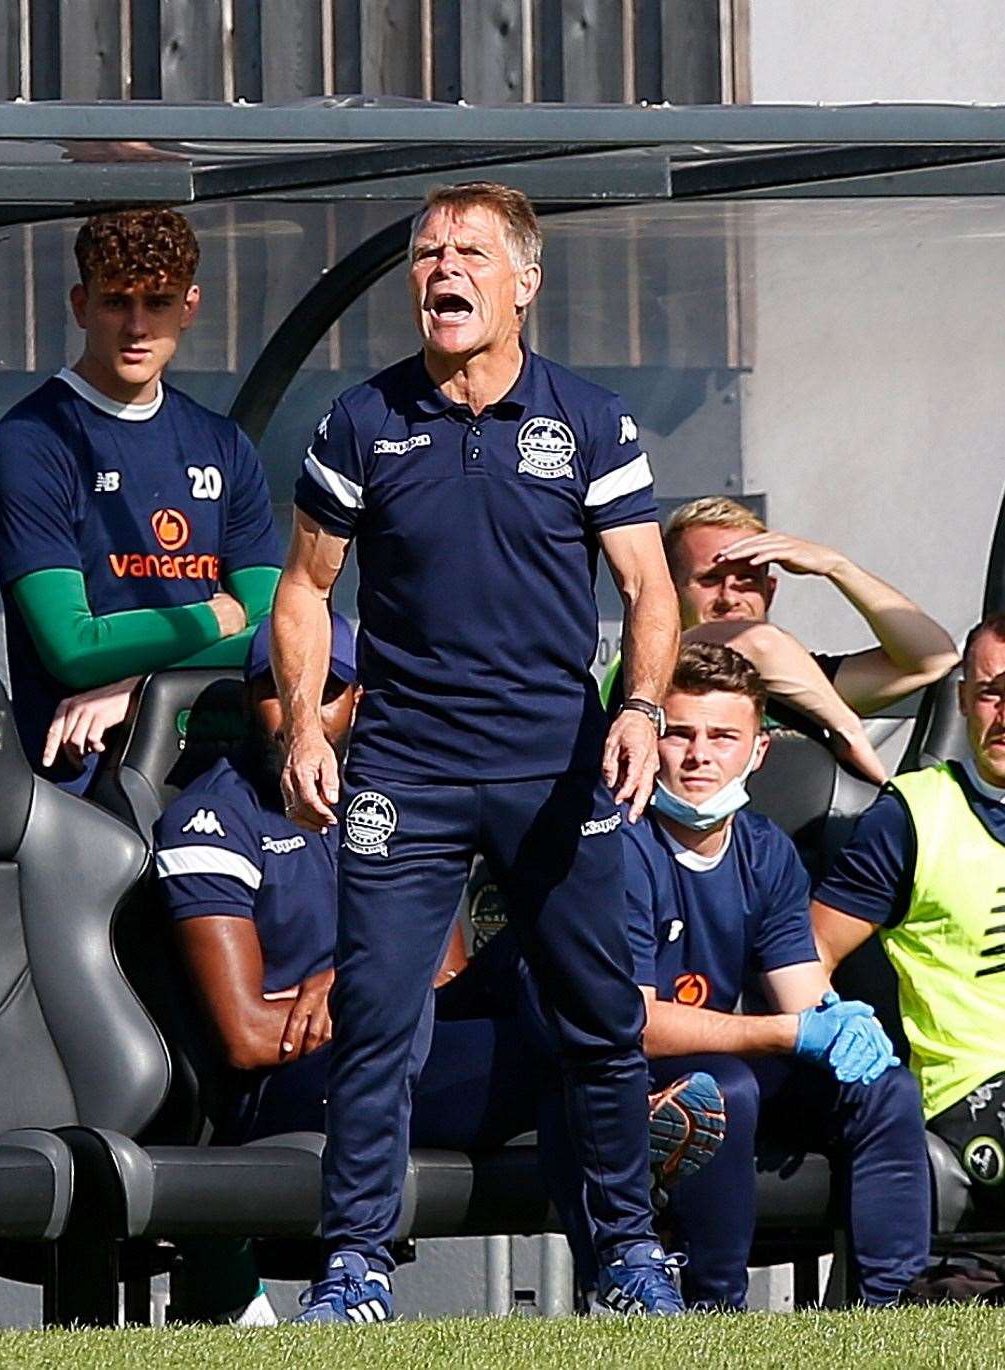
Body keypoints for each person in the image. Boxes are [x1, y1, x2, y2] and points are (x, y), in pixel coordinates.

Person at [272, 181, 685, 1320]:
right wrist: (307, 723)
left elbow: (652, 589)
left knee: (601, 1014)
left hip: (559, 768)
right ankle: (354, 1262)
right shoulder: (361, 420)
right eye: (423, 253)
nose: (439, 269)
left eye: (466, 252)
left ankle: (627, 1258)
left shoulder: (590, 420)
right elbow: (303, 589)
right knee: (378, 1015)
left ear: (522, 282)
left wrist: (641, 710)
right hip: (404, 770)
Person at [153, 616, 725, 1321]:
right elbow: (242, 1036)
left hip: (399, 1037)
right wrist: (369, 988)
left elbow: (443, 973)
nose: (298, 708)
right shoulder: (211, 817)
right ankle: (626, 1193)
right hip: (294, 1084)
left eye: (326, 689)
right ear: (249, 700)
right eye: (274, 689)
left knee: (540, 960)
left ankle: (622, 1196)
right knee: (555, 1064)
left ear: (358, 698)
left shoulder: (391, 800)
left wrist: (358, 977)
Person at [623, 642, 929, 1309]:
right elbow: (634, 1022)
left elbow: (803, 992)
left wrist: (836, 1020)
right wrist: (795, 1032)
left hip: (719, 1054)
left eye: (722, 736)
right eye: (678, 733)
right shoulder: (618, 844)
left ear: (757, 752)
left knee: (882, 1088)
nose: (699, 755)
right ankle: (716, 1309)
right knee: (722, 1089)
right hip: (617, 1075)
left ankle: (891, 1309)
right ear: (648, 741)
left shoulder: (765, 851)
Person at [0, 208, 281, 794]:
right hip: (84, 777)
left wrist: (137, 684)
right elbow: (73, 648)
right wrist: (214, 616)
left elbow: (274, 634)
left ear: (190, 307)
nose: (137, 327)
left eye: (159, 303)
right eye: (117, 302)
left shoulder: (222, 443)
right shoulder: (33, 441)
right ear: (80, 304)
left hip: (216, 764)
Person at [813, 612, 1005, 1208]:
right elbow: (810, 952)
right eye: (990, 693)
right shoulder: (914, 815)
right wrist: (833, 1030)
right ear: (963, 701)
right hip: (971, 1086)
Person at [605, 497, 960, 784]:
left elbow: (934, 658)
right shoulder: (646, 671)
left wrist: (837, 567)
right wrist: (847, 729)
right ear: (671, 591)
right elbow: (759, 643)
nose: (730, 597)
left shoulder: (797, 678)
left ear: (769, 591)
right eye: (711, 580)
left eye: (747, 580)